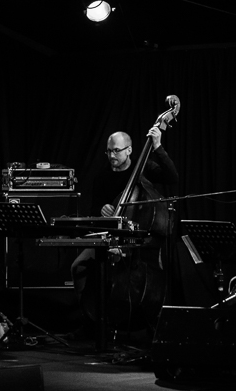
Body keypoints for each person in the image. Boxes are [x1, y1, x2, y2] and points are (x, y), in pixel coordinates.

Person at [71, 127, 178, 324]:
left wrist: (158, 147)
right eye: (109, 151)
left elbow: (172, 177)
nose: (112, 156)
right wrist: (101, 210)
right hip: (109, 237)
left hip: (137, 243)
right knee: (78, 267)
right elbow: (94, 211)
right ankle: (91, 322)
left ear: (129, 150)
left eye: (116, 151)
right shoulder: (102, 177)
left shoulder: (144, 168)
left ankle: (136, 323)